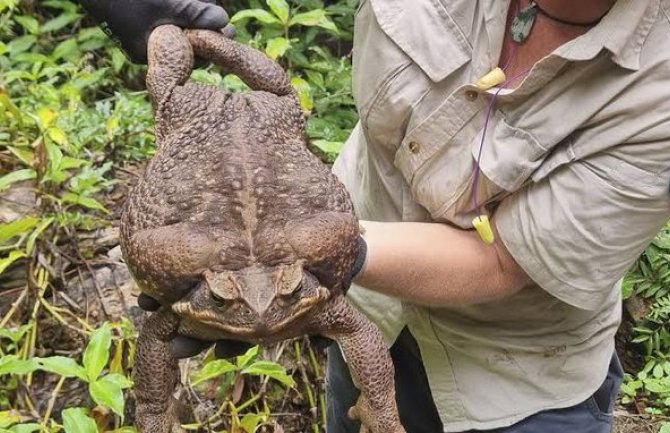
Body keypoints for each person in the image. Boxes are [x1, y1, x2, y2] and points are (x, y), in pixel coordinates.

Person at [82, 0, 670, 432]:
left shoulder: (658, 92)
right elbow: (160, 323)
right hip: (358, 300)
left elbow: (503, 260)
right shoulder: (184, 113)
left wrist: (334, 256)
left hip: (514, 374)